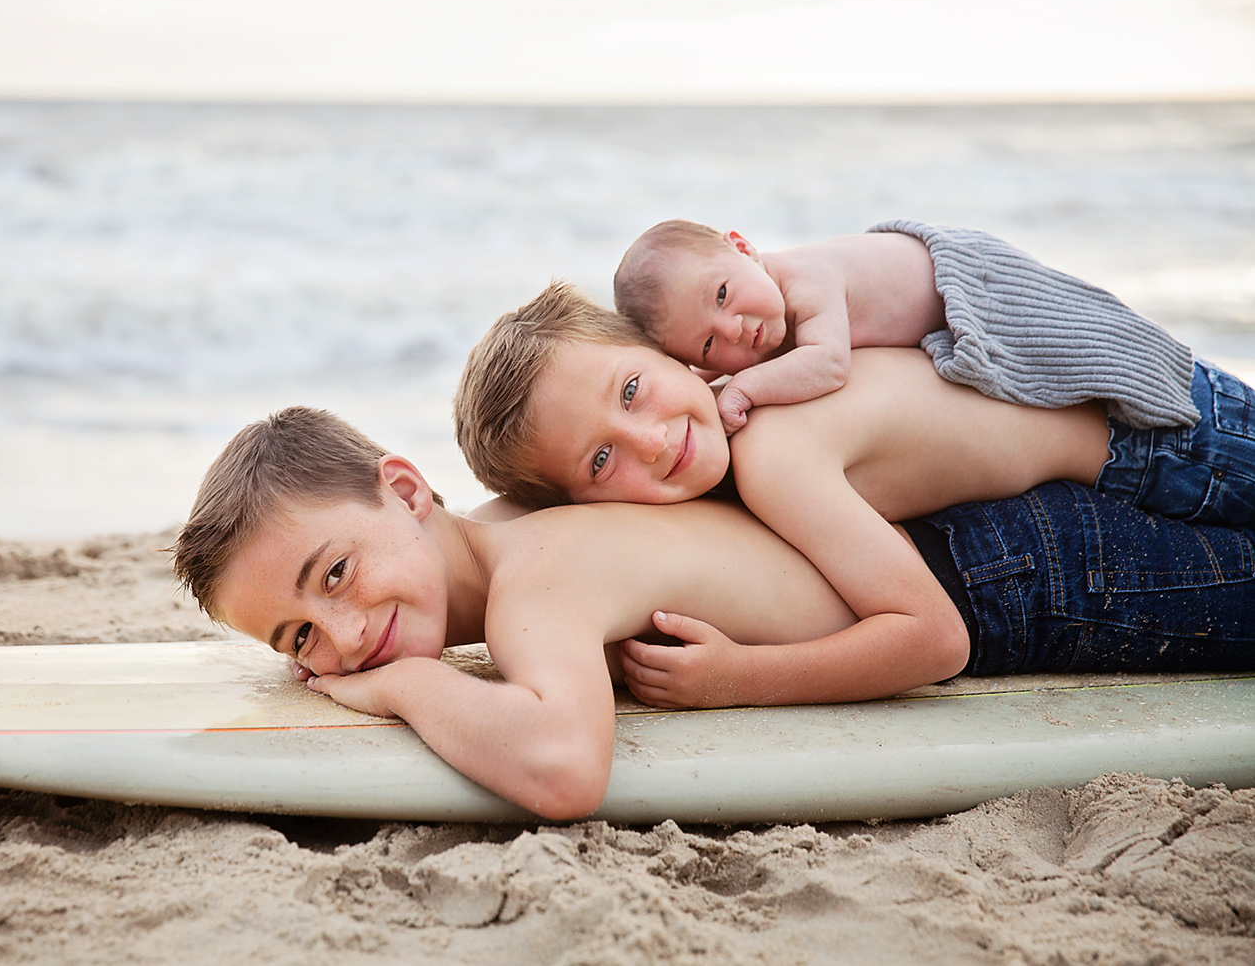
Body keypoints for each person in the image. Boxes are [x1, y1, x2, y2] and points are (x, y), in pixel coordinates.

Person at [174, 407, 1255, 820]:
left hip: (1031, 581)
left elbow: (563, 769)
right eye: (297, 639)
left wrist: (409, 684)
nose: (348, 634)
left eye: (334, 574)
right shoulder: (519, 516)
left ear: (407, 491)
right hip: (978, 537)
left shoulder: (529, 585)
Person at [451, 283, 1255, 709]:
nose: (654, 440)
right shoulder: (749, 397)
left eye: (632, 389)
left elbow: (935, 640)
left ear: (662, 349)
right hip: (1121, 446)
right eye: (601, 459)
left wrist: (740, 678)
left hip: (1160, 447)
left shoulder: (773, 453)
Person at [613, 219, 1200, 441]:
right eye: (710, 341)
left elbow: (829, 364)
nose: (736, 330)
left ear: (742, 247)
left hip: (968, 281)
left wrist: (742, 389)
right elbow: (701, 367)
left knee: (1067, 342)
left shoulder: (808, 280)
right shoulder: (741, 328)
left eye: (723, 294)